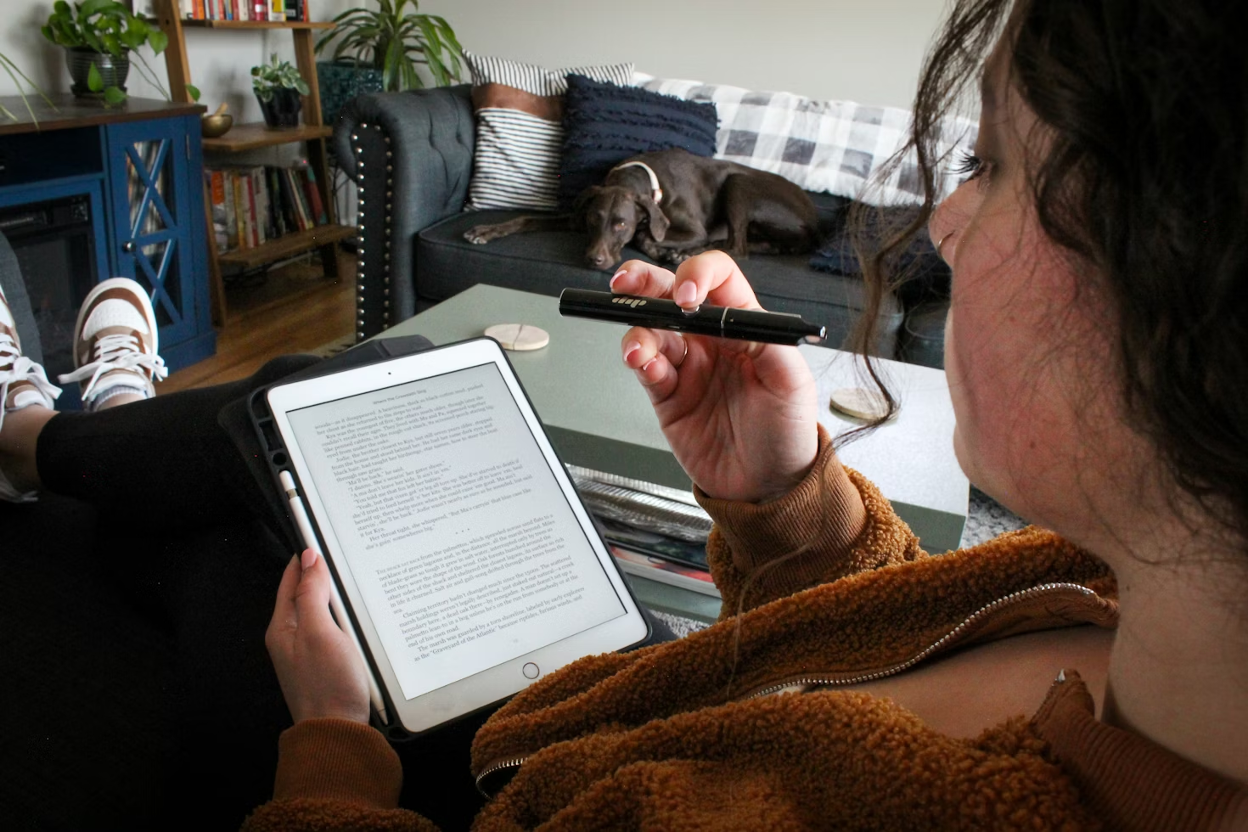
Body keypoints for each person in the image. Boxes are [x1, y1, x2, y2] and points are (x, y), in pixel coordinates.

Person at [245, 0, 1248, 829]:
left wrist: (333, 744)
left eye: (988, 163)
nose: (944, 217)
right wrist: (787, 499)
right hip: (563, 728)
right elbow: (865, 657)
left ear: (1181, 287)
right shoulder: (1101, 597)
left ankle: (115, 388)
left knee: (206, 507)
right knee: (274, 392)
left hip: (460, 777)